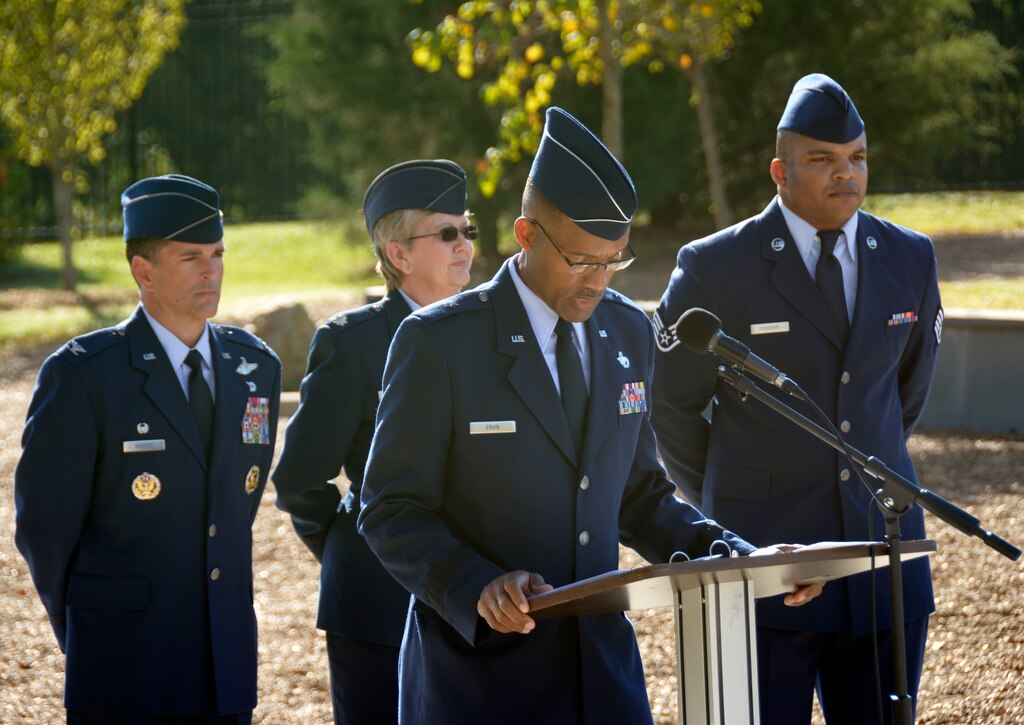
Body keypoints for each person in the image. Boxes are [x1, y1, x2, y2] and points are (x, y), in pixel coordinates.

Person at [358, 106, 823, 724]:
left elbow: (638, 491)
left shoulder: (628, 330)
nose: (597, 281)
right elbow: (390, 508)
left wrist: (739, 556)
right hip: (480, 681)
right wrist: (475, 584)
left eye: (614, 260)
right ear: (526, 235)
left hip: (602, 680)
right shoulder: (440, 343)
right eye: (581, 259)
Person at [651, 73, 943, 724]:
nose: (846, 174)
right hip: (754, 565)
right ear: (780, 171)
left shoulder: (910, 257)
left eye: (857, 159)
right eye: (823, 160)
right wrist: (727, 512)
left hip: (880, 563)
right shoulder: (713, 266)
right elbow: (670, 411)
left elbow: (902, 396)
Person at [13, 174, 282, 723]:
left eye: (217, 253)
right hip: (125, 665)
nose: (211, 271)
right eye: (190, 257)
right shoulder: (84, 377)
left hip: (224, 662)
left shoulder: (255, 367)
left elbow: (234, 507)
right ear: (143, 271)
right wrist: (94, 628)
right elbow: (44, 527)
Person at [271, 159, 475, 724]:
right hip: (378, 605)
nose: (464, 245)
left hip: (475, 590)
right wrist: (355, 548)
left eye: (468, 230)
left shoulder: (487, 332)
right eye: (446, 233)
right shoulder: (353, 345)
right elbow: (299, 479)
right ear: (398, 256)